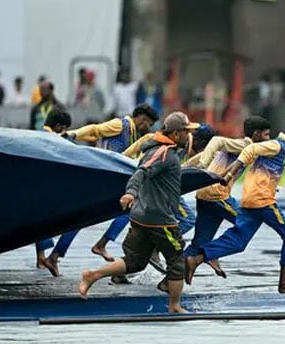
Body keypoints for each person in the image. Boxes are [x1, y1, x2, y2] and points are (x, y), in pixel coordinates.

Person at [78, 112, 199, 314]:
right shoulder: (163, 153)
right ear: (176, 134)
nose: (188, 136)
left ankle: (93, 274)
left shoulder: (164, 151)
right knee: (177, 261)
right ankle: (175, 305)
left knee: (136, 261)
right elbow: (141, 172)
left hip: (142, 218)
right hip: (160, 220)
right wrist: (130, 193)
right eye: (186, 132)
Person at [185, 117, 285, 294]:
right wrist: (232, 170)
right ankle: (284, 283)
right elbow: (249, 148)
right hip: (261, 202)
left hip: (249, 201)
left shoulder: (281, 150)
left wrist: (186, 167)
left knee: (239, 241)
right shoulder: (277, 146)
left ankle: (197, 258)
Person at [42, 104, 160, 275]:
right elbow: (96, 129)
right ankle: (100, 244)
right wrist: (73, 134)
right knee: (128, 210)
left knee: (82, 218)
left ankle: (55, 256)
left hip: (108, 181)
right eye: (148, 123)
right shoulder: (121, 125)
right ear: (141, 118)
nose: (148, 127)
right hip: (103, 179)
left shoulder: (133, 133)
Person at [182, 116, 273, 279]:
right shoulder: (246, 145)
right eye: (267, 135)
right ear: (257, 134)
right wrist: (202, 163)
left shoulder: (241, 147)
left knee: (198, 242)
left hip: (204, 195)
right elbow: (216, 141)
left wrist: (183, 168)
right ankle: (211, 254)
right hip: (217, 195)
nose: (269, 139)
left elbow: (216, 151)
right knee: (249, 223)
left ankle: (170, 277)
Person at [35, 108, 73, 276]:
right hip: (51, 193)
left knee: (38, 221)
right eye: (64, 129)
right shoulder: (54, 140)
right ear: (58, 126)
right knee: (76, 222)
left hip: (38, 192)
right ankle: (55, 256)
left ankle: (41, 257)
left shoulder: (35, 135)